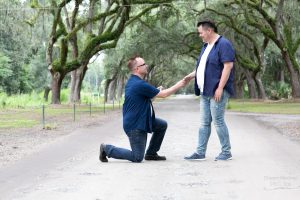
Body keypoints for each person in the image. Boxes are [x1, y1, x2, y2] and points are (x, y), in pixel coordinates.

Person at [99, 55, 188, 163]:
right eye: (143, 64)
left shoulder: (133, 82)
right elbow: (164, 94)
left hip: (142, 120)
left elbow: (145, 97)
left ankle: (151, 153)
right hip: (135, 125)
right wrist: (180, 84)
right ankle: (107, 149)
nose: (146, 66)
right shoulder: (139, 84)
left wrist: (154, 92)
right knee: (137, 157)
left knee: (161, 125)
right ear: (137, 69)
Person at [184, 20, 235, 161]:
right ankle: (200, 152)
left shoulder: (224, 44)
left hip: (217, 91)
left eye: (201, 32)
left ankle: (226, 152)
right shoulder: (206, 46)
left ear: (209, 31)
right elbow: (203, 67)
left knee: (218, 121)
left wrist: (220, 88)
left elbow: (227, 67)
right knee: (204, 123)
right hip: (205, 91)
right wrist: (190, 76)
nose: (200, 35)